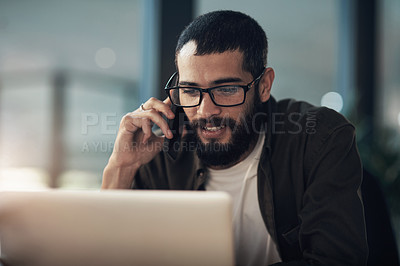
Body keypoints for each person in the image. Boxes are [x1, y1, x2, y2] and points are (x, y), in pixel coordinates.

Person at [102, 10, 368, 265]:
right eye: (190, 91)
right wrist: (122, 166)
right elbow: (102, 255)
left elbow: (336, 260)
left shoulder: (318, 138)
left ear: (264, 85)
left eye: (227, 89)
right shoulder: (158, 153)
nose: (206, 111)